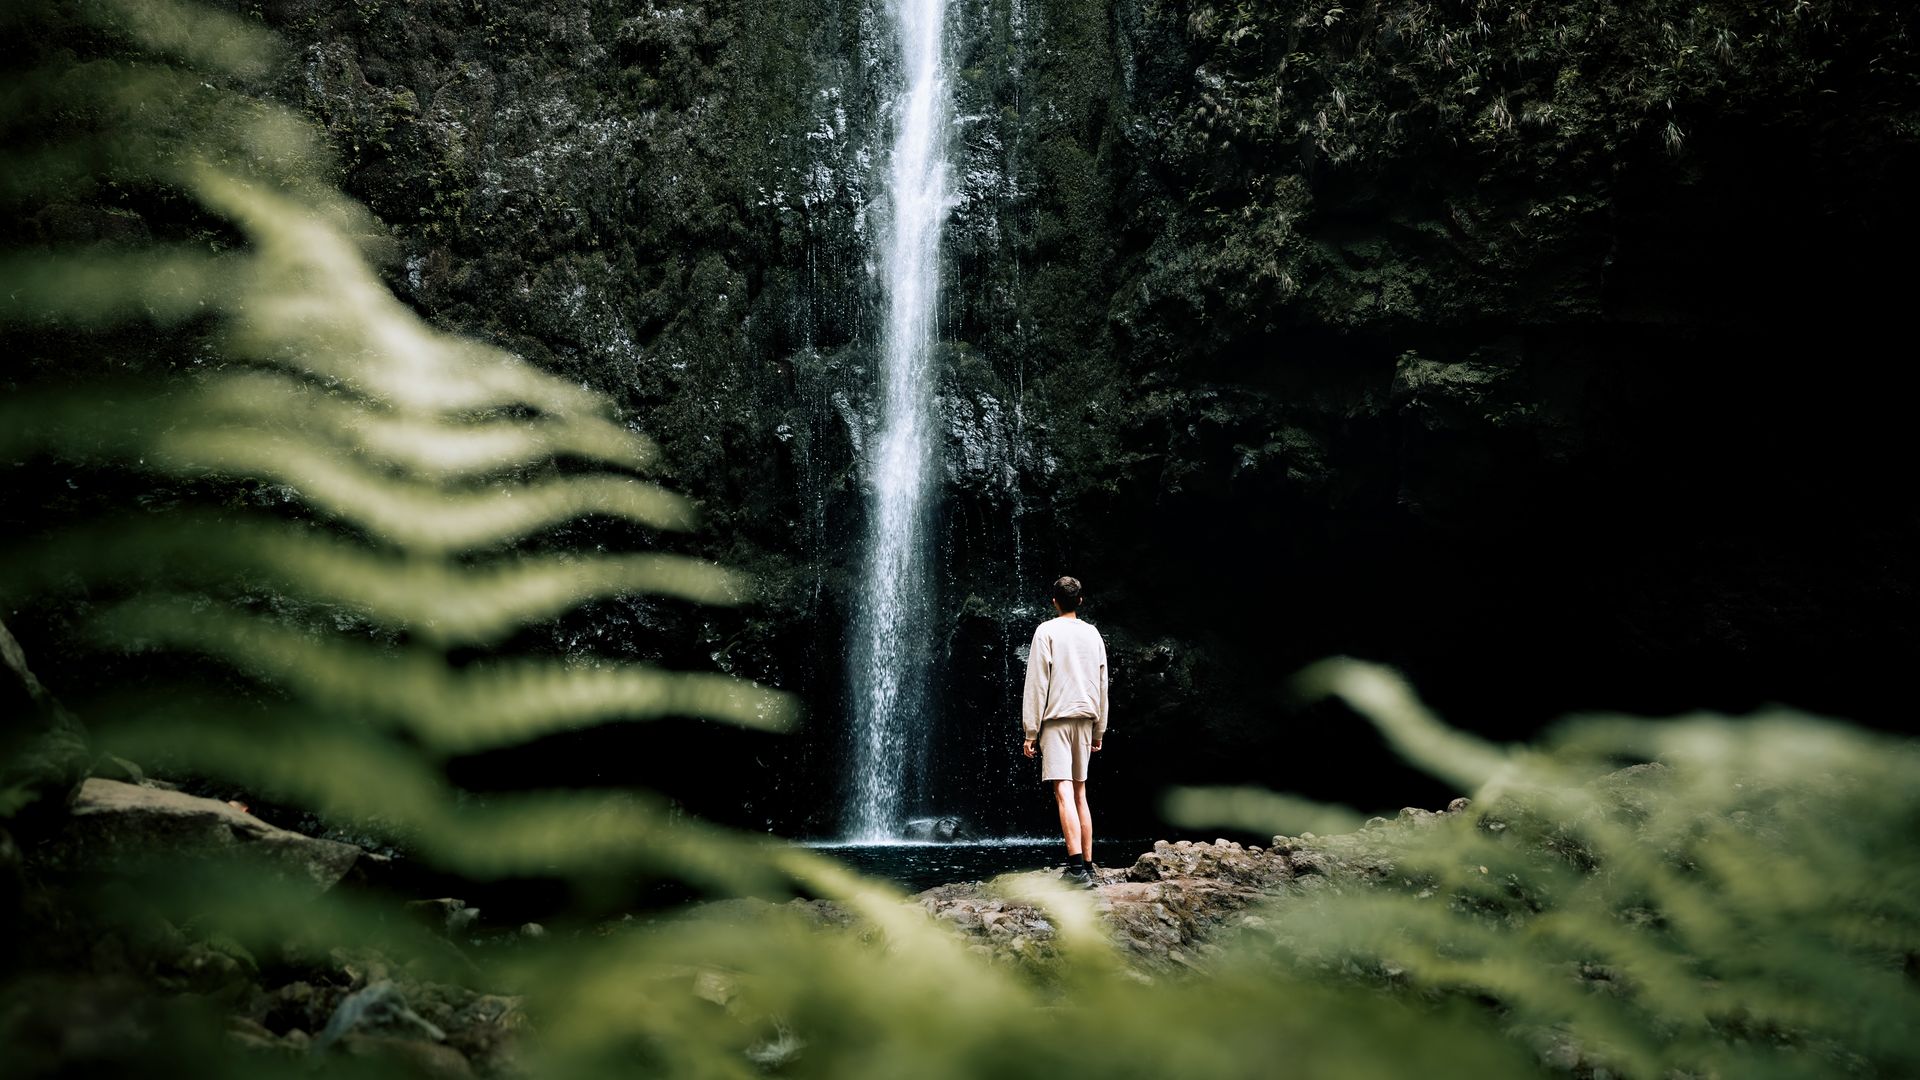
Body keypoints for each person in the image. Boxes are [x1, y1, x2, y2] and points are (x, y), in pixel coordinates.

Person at [1021, 575, 1108, 888]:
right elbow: (1102, 685)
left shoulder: (1046, 631)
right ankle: (1087, 864)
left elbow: (1037, 683)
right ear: (1080, 601)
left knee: (1063, 791)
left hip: (1057, 719)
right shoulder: (1093, 634)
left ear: (1054, 601)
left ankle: (1075, 871)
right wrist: (1100, 730)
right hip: (1086, 718)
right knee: (1080, 792)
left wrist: (1031, 732)